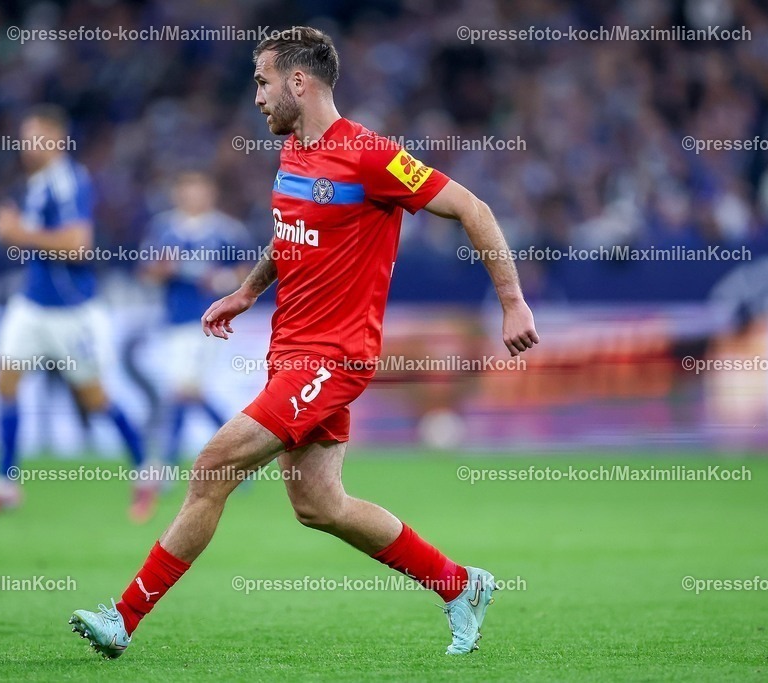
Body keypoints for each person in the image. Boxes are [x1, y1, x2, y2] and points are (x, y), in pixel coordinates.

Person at [69, 27, 539, 657]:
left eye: (262, 82)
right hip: (290, 352)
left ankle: (122, 618)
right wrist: (247, 291)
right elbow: (291, 235)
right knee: (320, 505)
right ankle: (461, 586)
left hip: (334, 358)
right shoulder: (293, 151)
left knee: (213, 466)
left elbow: (475, 208)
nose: (256, 97)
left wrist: (511, 302)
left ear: (298, 82)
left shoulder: (373, 157)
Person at [0, 105, 146, 521]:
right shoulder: (38, 181)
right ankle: (4, 483)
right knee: (6, 382)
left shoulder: (68, 180)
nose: (27, 145)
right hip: (31, 304)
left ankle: (144, 472)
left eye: (36, 137)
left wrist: (17, 233)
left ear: (57, 140)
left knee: (96, 399)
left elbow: (79, 245)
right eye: (25, 137)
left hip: (70, 311)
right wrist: (17, 230)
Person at [139, 171, 251, 477]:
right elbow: (147, 271)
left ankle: (165, 467)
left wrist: (223, 280)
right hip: (174, 321)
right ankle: (242, 456)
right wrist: (165, 268)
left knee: (181, 390)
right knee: (190, 392)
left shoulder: (227, 231)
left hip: (210, 323)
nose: (193, 197)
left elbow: (247, 274)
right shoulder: (163, 228)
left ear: (210, 193)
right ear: (178, 194)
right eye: (187, 190)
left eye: (199, 190)